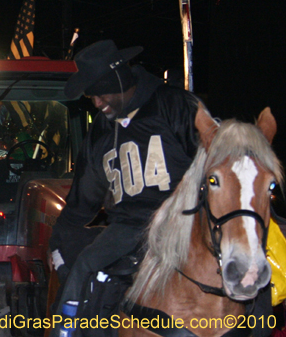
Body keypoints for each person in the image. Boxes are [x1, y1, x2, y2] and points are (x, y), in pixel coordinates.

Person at [49, 40, 204, 316]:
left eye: (100, 94)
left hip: (183, 220)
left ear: (118, 80)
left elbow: (214, 159)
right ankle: (67, 329)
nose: (97, 103)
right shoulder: (100, 131)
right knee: (84, 266)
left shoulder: (173, 104)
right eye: (91, 97)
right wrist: (58, 238)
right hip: (129, 227)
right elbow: (83, 199)